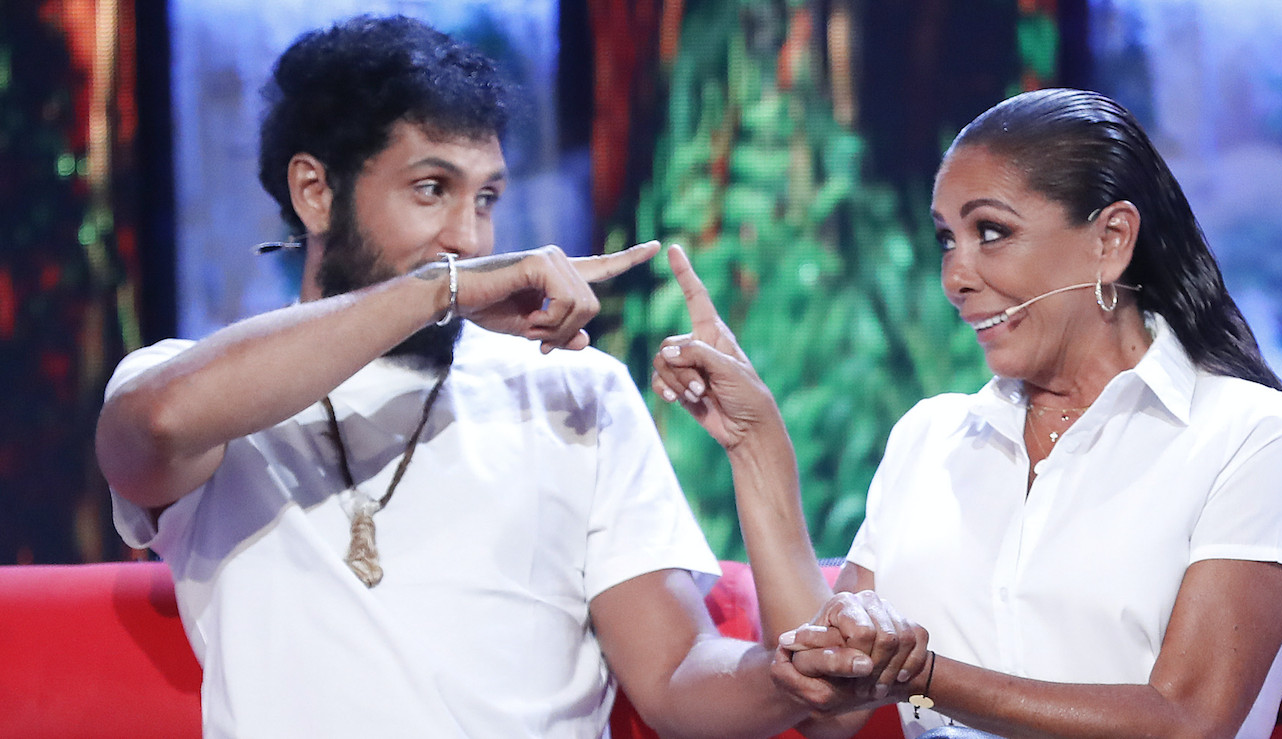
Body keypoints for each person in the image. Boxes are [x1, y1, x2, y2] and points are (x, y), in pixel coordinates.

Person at [95, 15, 863, 738]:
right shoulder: (194, 386)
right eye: (431, 188)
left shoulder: (573, 387)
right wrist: (443, 289)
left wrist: (786, 677)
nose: (468, 236)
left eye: (487, 197)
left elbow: (671, 674)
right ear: (315, 191)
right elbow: (153, 427)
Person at [652, 88, 1282, 738]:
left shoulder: (1244, 432)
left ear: (1110, 241)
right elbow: (830, 711)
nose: (955, 276)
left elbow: (1187, 721)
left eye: (989, 232)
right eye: (945, 238)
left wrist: (923, 674)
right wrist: (755, 445)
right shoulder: (931, 435)